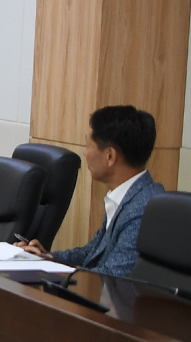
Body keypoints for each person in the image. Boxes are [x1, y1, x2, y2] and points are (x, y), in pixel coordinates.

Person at [16, 106, 163, 273]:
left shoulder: (143, 211)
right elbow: (91, 253)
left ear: (110, 156)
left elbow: (113, 277)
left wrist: (55, 272)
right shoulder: (128, 196)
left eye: (87, 145)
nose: (85, 153)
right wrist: (47, 258)